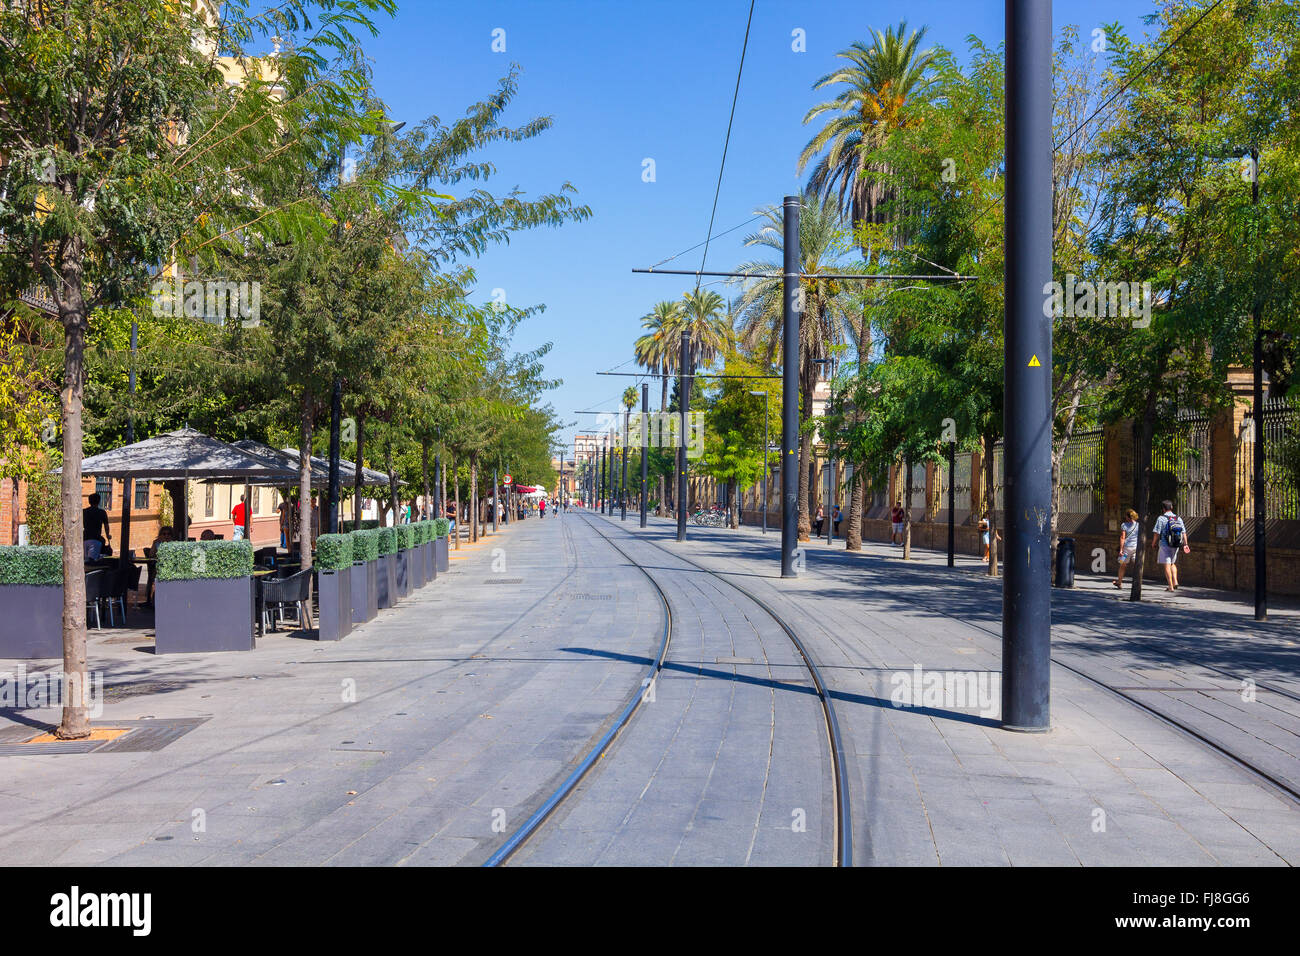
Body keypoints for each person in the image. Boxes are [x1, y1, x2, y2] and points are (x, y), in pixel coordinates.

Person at [1151, 499, 1191, 591]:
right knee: (1172, 563)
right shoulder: (1178, 518)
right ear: (1172, 507)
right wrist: (1186, 544)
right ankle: (1175, 581)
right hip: (1176, 545)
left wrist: (1153, 543)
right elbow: (1184, 532)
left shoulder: (1161, 518)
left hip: (1165, 545)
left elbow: (1156, 533)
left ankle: (1170, 586)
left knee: (1167, 565)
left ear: (1163, 509)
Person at [1113, 508, 1139, 589]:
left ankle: (1119, 582)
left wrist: (1121, 550)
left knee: (1122, 564)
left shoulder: (1124, 525)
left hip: (1126, 549)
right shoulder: (1138, 525)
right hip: (1136, 548)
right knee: (1136, 565)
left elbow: (1122, 538)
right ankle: (1137, 584)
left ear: (1128, 517)